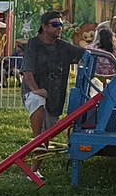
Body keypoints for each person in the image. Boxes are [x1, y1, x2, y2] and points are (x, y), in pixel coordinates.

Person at [20, 10, 84, 181]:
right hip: (33, 92)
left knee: (47, 133)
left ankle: (34, 171)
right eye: (55, 24)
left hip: (55, 97)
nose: (59, 27)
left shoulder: (63, 47)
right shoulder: (33, 44)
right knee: (37, 101)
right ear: (44, 27)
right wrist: (35, 89)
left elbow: (84, 53)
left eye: (61, 25)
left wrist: (104, 48)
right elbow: (27, 71)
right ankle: (37, 139)